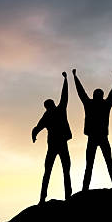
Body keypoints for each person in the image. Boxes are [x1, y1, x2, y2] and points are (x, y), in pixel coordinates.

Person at [72, 68, 112, 191]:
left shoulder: (91, 104)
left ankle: (86, 188)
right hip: (98, 137)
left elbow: (81, 92)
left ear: (94, 95)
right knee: (106, 163)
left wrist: (75, 77)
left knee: (93, 164)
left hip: (95, 137)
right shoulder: (104, 104)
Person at [32, 72, 73, 204]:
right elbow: (65, 96)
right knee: (64, 170)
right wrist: (66, 80)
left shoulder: (47, 115)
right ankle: (66, 196)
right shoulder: (58, 110)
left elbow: (36, 128)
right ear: (52, 105)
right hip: (59, 145)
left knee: (50, 171)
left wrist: (34, 135)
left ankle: (43, 199)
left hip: (55, 145)